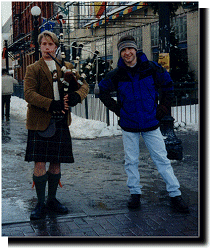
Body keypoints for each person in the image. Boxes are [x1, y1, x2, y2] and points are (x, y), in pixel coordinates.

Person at [98, 35, 189, 213]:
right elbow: (102, 91)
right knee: (131, 161)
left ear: (136, 49)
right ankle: (135, 193)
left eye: (130, 48)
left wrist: (162, 108)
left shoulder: (151, 68)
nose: (127, 53)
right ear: (120, 53)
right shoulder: (117, 74)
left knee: (162, 159)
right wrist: (118, 109)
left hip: (151, 123)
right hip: (129, 125)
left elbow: (168, 86)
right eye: (123, 50)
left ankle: (175, 194)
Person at [24, 30, 89, 220]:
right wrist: (51, 104)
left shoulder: (67, 67)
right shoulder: (33, 69)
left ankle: (52, 200)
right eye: (43, 44)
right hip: (40, 121)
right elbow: (29, 94)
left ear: (56, 46)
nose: (46, 48)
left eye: (50, 44)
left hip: (60, 121)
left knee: (56, 162)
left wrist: (77, 96)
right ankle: (40, 203)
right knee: (39, 163)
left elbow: (84, 85)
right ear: (39, 47)